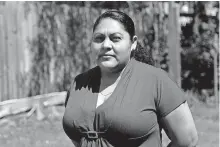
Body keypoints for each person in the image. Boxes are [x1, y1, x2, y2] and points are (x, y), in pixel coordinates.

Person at [63, 10, 198, 147]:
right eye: (99, 38)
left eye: (115, 38)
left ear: (133, 43)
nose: (106, 45)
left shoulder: (156, 81)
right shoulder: (79, 83)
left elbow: (187, 140)